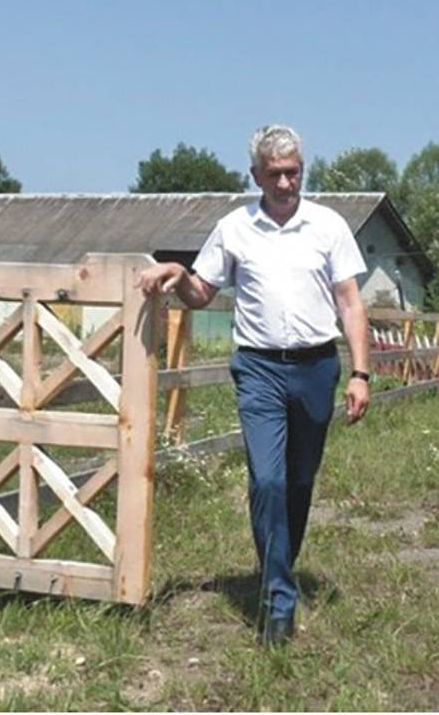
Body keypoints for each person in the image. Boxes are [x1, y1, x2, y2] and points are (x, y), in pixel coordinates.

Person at [136, 124, 371, 647]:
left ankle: (278, 565)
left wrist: (359, 373)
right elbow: (202, 291)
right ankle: (279, 602)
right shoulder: (235, 228)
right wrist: (177, 271)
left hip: (316, 368)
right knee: (267, 480)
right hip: (259, 368)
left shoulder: (328, 226)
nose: (286, 183)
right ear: (256, 175)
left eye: (294, 173)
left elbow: (351, 302)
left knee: (299, 483)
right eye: (275, 174)